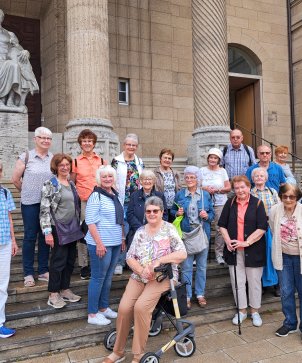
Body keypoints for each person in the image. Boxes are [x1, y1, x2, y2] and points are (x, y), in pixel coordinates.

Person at [103, 196, 187, 363]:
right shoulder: (140, 231)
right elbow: (129, 257)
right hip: (139, 276)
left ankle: (138, 354)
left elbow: (182, 254)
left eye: (155, 211)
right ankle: (118, 351)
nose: (152, 213)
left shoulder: (169, 229)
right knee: (124, 307)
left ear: (162, 212)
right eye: (148, 211)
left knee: (141, 307)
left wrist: (159, 261)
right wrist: (141, 270)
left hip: (162, 277)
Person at [218, 176, 267, 327]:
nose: (240, 190)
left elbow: (262, 228)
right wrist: (227, 241)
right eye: (237, 188)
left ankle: (255, 311)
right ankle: (241, 311)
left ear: (248, 187)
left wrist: (246, 242)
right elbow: (222, 225)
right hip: (234, 250)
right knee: (237, 281)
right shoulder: (230, 202)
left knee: (254, 282)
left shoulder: (257, 203)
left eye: (242, 187)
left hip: (253, 249)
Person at [12, 127, 53, 287]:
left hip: (48, 205)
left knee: (45, 236)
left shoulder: (53, 158)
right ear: (35, 139)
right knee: (30, 237)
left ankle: (43, 270)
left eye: (48, 138)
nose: (45, 140)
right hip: (30, 204)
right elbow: (15, 179)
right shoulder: (26, 157)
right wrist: (27, 191)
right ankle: (28, 273)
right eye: (42, 137)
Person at [85, 165, 125, 326]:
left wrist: (122, 237)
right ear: (99, 179)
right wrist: (99, 243)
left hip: (115, 242)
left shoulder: (114, 194)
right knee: (98, 277)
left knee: (108, 278)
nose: (108, 179)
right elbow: (91, 222)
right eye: (104, 177)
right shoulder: (96, 196)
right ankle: (92, 314)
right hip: (101, 244)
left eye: (110, 176)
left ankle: (103, 307)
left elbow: (120, 218)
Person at [40, 154, 81, 309]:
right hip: (58, 228)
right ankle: (53, 294)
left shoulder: (71, 183)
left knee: (70, 260)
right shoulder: (50, 184)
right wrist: (47, 232)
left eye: (67, 164)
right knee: (58, 261)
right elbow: (44, 209)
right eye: (61, 165)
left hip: (72, 227)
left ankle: (65, 289)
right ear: (56, 167)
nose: (65, 167)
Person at [171, 166, 214, 309]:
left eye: (192, 177)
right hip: (186, 235)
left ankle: (200, 294)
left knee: (202, 267)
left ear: (198, 179)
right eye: (187, 177)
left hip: (202, 234)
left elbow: (212, 214)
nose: (189, 180)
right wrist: (177, 213)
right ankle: (188, 295)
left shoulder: (205, 195)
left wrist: (207, 216)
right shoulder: (180, 194)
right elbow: (172, 210)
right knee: (187, 267)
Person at [70, 129, 108, 280]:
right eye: (84, 141)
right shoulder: (76, 161)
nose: (87, 143)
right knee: (85, 232)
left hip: (100, 200)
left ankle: (97, 261)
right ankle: (84, 265)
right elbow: (72, 182)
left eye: (90, 141)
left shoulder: (102, 161)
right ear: (80, 143)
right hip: (84, 201)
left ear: (94, 143)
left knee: (100, 230)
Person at [269, 184, 302, 337]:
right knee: (286, 291)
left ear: (297, 198)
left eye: (292, 196)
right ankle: (290, 323)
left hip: (300, 258)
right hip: (283, 257)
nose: (288, 199)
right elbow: (272, 229)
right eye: (285, 196)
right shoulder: (275, 210)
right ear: (281, 196)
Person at [112, 133, 144, 275]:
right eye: (129, 144)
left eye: (134, 145)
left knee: (135, 231)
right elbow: (111, 179)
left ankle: (132, 261)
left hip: (136, 202)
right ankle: (119, 262)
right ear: (124, 145)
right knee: (122, 232)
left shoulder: (140, 162)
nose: (131, 147)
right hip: (121, 201)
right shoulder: (116, 161)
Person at [250, 167, 280, 296]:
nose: (259, 178)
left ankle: (277, 284)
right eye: (256, 176)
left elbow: (279, 209)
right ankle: (260, 284)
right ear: (253, 179)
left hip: (272, 228)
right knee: (260, 256)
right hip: (257, 229)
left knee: (274, 256)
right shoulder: (250, 193)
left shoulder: (273, 192)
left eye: (262, 176)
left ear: (266, 178)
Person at [0, 9, 38, 110]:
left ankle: (11, 100)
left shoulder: (9, 34)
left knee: (15, 65)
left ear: (2, 18)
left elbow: (18, 49)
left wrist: (26, 52)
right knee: (13, 65)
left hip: (5, 61)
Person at [200, 148, 231, 265]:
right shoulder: (202, 170)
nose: (213, 160)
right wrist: (205, 188)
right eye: (211, 157)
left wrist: (218, 190)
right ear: (208, 159)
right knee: (203, 228)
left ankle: (219, 254)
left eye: (215, 158)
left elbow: (228, 187)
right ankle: (202, 254)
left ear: (219, 160)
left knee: (219, 229)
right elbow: (196, 185)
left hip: (220, 203)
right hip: (204, 203)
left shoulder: (223, 171)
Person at [0, 161, 18, 338]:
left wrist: (13, 240)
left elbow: (9, 217)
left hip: (4, 244)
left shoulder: (4, 192)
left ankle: (0, 323)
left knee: (2, 285)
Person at [127, 170, 168, 246]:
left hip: (156, 234)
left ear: (153, 181)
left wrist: (154, 228)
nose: (147, 181)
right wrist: (142, 229)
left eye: (149, 179)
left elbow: (164, 214)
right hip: (137, 233)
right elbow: (130, 214)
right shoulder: (134, 195)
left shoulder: (160, 196)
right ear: (141, 182)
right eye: (144, 179)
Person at [153, 148, 181, 222]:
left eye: (169, 158)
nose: (167, 160)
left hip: (173, 207)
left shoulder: (175, 173)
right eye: (165, 158)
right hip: (160, 205)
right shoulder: (155, 173)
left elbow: (179, 189)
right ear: (160, 158)